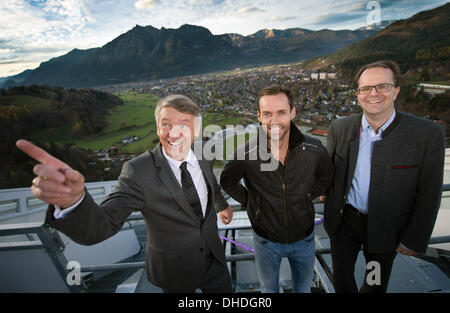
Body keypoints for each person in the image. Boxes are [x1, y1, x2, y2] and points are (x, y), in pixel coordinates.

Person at [16, 94, 234, 293]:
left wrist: (221, 204)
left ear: (196, 130)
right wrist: (74, 203)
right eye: (166, 124)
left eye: (183, 125)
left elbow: (210, 183)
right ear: (158, 127)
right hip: (174, 271)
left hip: (215, 262)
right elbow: (102, 226)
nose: (173, 133)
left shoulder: (204, 153)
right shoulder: (138, 171)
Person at [324, 60, 445, 293]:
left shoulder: (426, 134)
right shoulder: (340, 128)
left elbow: (429, 193)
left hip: (387, 228)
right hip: (344, 222)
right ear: (357, 94)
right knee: (342, 278)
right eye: (366, 88)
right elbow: (327, 170)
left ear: (396, 91)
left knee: (374, 283)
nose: (374, 94)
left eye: (382, 86)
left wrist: (414, 238)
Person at [220, 85, 334, 293]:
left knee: (303, 289)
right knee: (268, 290)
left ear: (292, 112)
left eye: (281, 112)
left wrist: (308, 195)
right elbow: (227, 181)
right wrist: (251, 202)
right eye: (267, 114)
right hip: (266, 241)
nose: (274, 120)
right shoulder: (246, 153)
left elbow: (326, 175)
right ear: (259, 116)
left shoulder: (314, 148)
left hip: (304, 238)